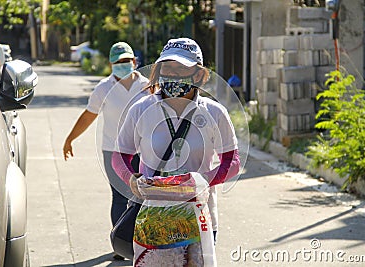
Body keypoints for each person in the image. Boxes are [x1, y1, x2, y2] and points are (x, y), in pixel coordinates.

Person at [111, 37, 240, 266]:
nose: (173, 74)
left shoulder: (215, 113)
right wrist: (131, 180)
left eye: (182, 68)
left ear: (199, 74)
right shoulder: (140, 109)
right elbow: (120, 156)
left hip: (199, 216)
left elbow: (233, 160)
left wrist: (203, 181)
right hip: (153, 216)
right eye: (168, 67)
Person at [63, 41, 149, 260]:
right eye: (118, 62)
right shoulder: (104, 87)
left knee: (145, 196)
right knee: (120, 197)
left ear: (134, 62)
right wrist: (70, 139)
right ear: (111, 64)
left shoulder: (148, 86)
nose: (123, 65)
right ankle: (121, 246)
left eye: (126, 61)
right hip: (114, 151)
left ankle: (142, 243)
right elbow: (89, 115)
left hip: (143, 150)